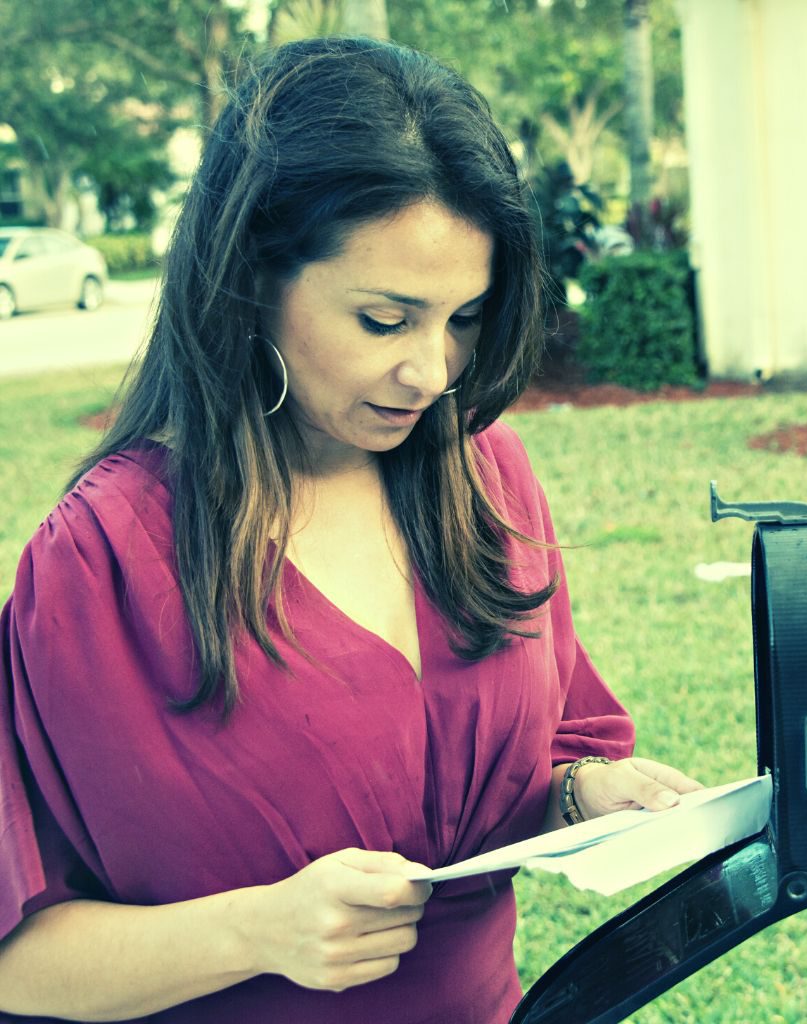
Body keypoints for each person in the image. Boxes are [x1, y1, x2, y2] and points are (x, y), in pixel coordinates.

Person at [0, 36, 699, 1024]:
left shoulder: (484, 478)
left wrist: (586, 794)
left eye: (463, 317)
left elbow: (525, 766)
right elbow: (17, 957)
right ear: (253, 282)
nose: (433, 371)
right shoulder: (105, 560)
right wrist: (259, 930)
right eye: (384, 319)